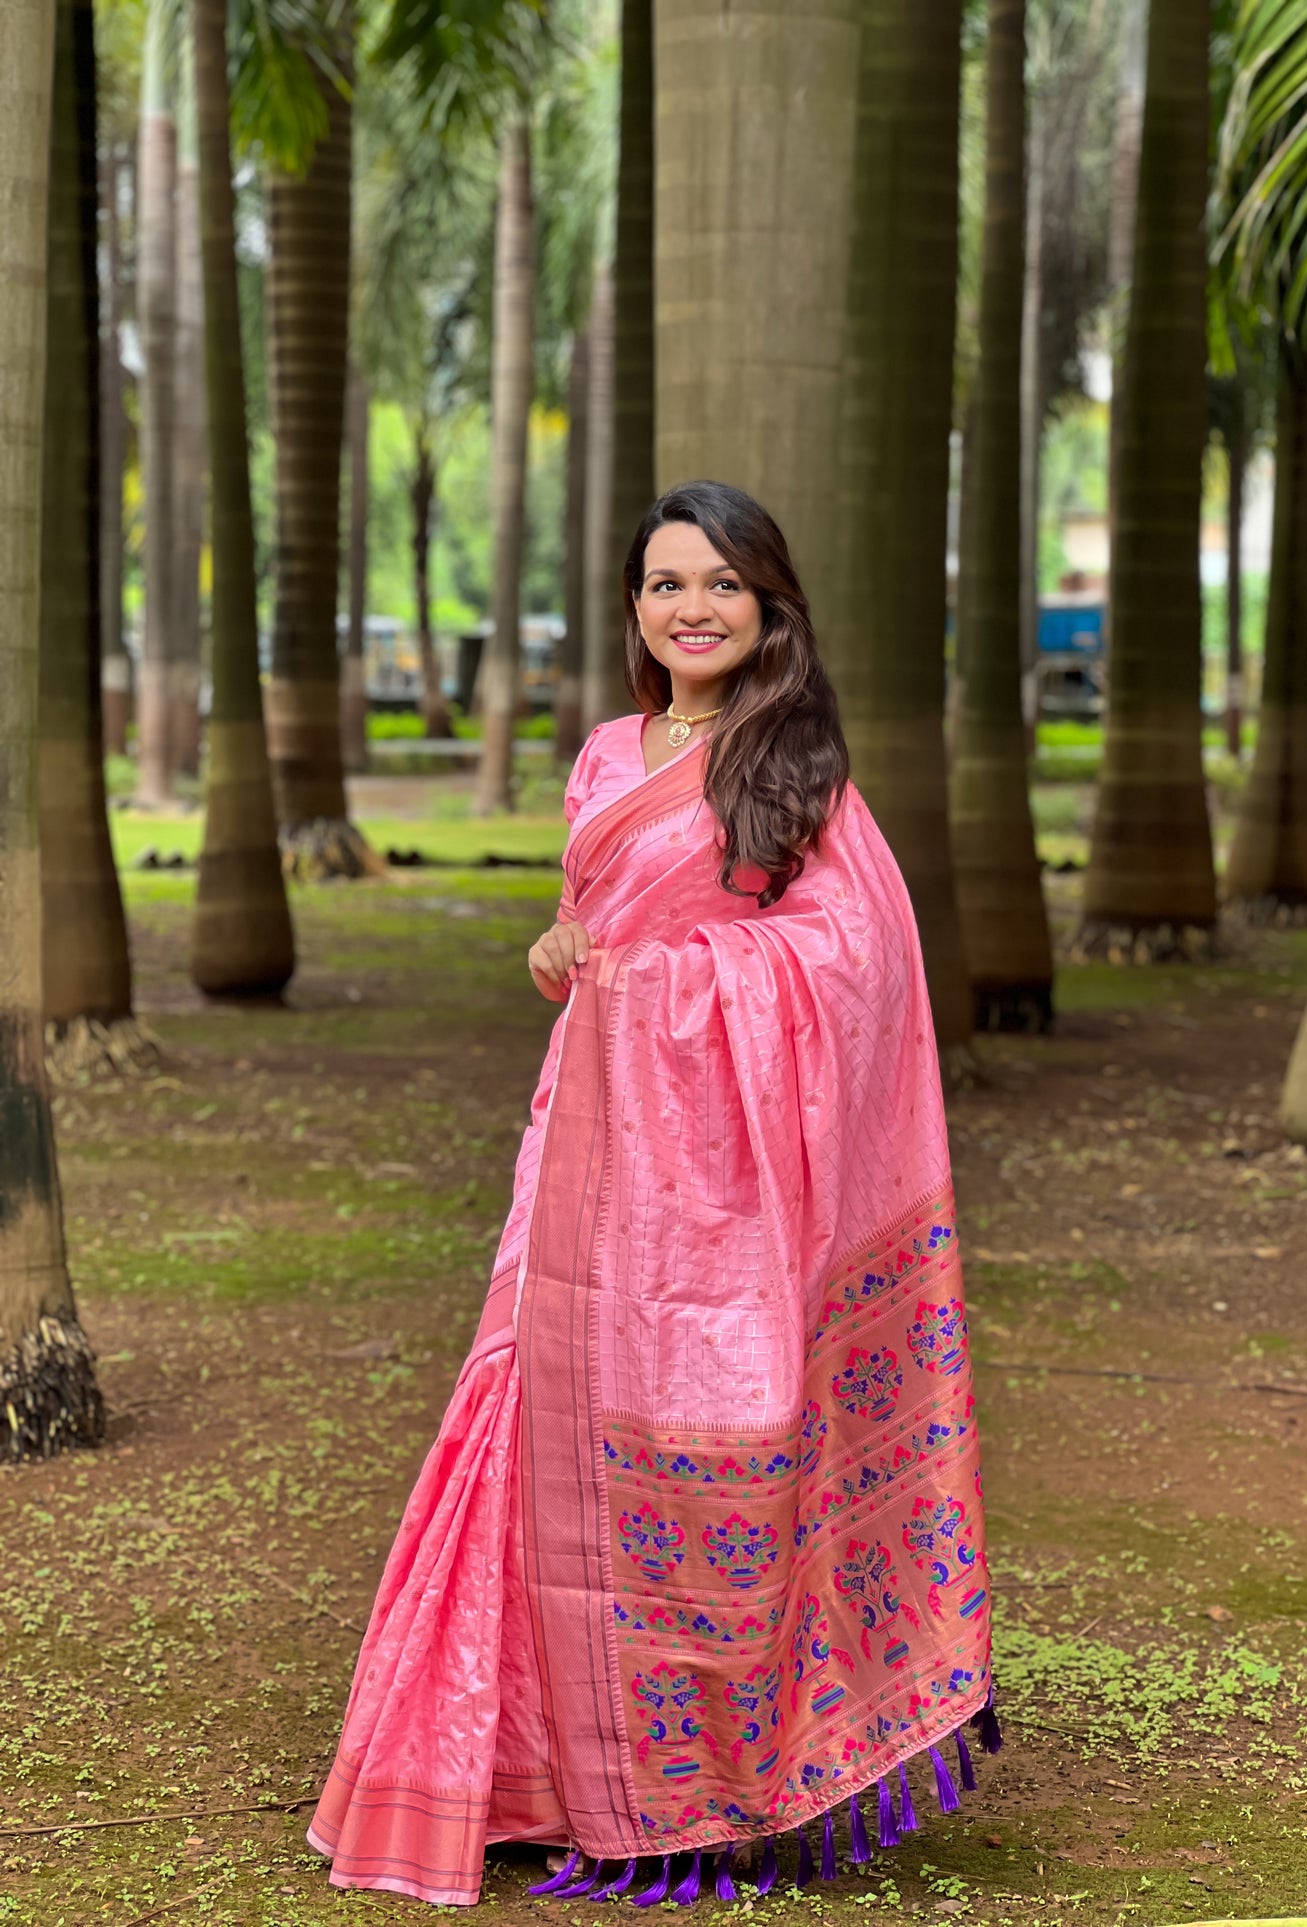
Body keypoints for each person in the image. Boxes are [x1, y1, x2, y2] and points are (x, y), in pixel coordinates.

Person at [305, 481, 996, 1908]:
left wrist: (664, 983)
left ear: (769, 606)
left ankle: (717, 1787)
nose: (693, 607)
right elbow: (601, 923)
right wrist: (570, 948)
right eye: (665, 583)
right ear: (633, 607)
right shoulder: (609, 756)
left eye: (723, 583)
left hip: (731, 1191)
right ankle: (524, 1775)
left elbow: (854, 968)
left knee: (730, 1431)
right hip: (584, 1149)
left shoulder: (798, 770)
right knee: (524, 1413)